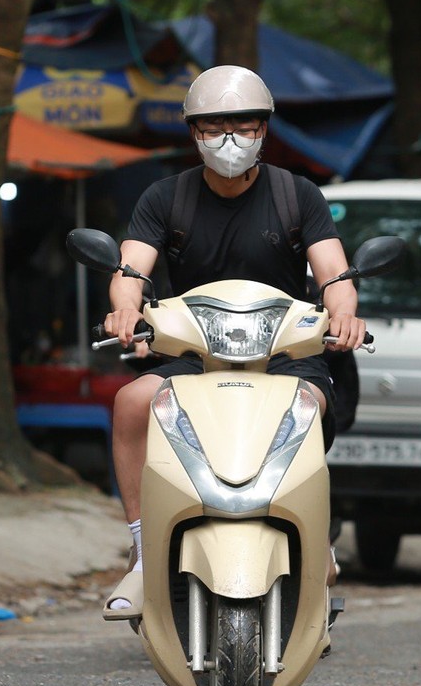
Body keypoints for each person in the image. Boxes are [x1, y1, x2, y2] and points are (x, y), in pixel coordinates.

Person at [99, 65, 365, 617]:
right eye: (213, 124)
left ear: (264, 128)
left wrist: (344, 317)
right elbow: (132, 267)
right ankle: (145, 549)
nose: (229, 137)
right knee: (129, 404)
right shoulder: (164, 198)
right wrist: (124, 307)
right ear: (193, 131)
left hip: (286, 356)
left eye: (244, 124)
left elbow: (334, 274)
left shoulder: (299, 196)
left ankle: (314, 530)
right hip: (195, 355)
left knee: (308, 410)